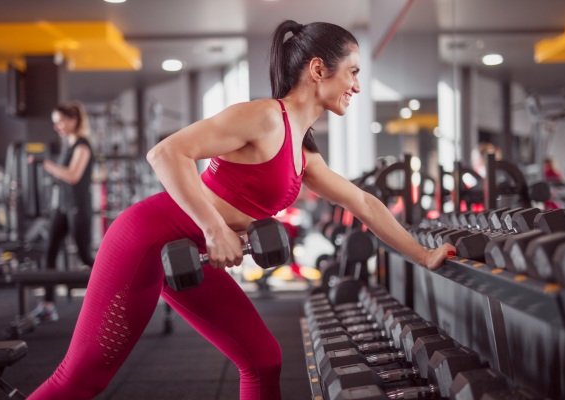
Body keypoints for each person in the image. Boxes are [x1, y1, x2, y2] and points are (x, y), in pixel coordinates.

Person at [28, 20, 455, 400]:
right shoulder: (266, 118)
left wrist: (423, 254)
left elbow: (362, 202)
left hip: (187, 253)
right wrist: (215, 229)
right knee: (81, 379)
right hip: (144, 240)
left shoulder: (303, 151)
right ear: (319, 69)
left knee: (263, 359)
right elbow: (166, 153)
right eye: (354, 72)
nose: (358, 87)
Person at [28, 101, 95, 323]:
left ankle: (120, 292)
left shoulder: (83, 146)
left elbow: (73, 176)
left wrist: (46, 164)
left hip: (78, 206)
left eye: (59, 122)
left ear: (72, 120)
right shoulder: (69, 143)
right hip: (63, 206)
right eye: (54, 123)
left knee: (85, 255)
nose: (56, 126)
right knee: (50, 251)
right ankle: (47, 304)